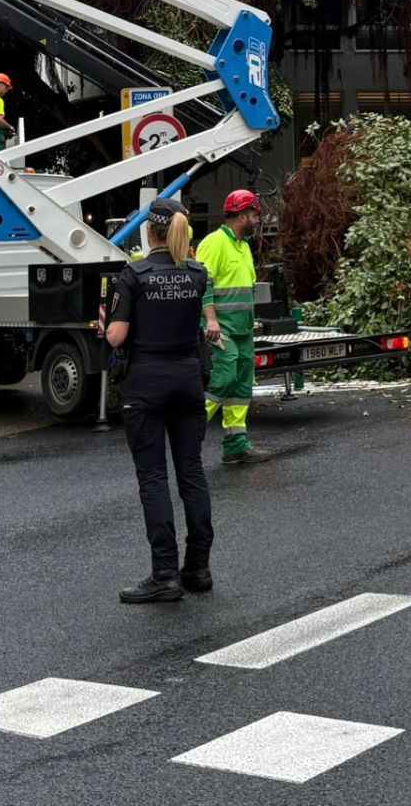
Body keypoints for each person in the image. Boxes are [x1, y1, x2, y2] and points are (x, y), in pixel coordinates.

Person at [102, 196, 214, 604]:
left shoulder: (135, 274)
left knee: (153, 478)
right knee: (192, 473)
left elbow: (115, 336)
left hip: (146, 384)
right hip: (187, 379)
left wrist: (105, 318)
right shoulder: (197, 273)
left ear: (150, 231)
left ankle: (165, 573)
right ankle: (198, 567)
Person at [197, 189, 271, 466]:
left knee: (241, 387)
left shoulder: (243, 246)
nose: (256, 220)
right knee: (223, 379)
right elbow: (203, 282)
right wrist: (211, 320)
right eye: (254, 215)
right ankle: (190, 432)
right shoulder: (214, 243)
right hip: (221, 329)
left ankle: (236, 445)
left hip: (242, 331)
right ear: (242, 216)